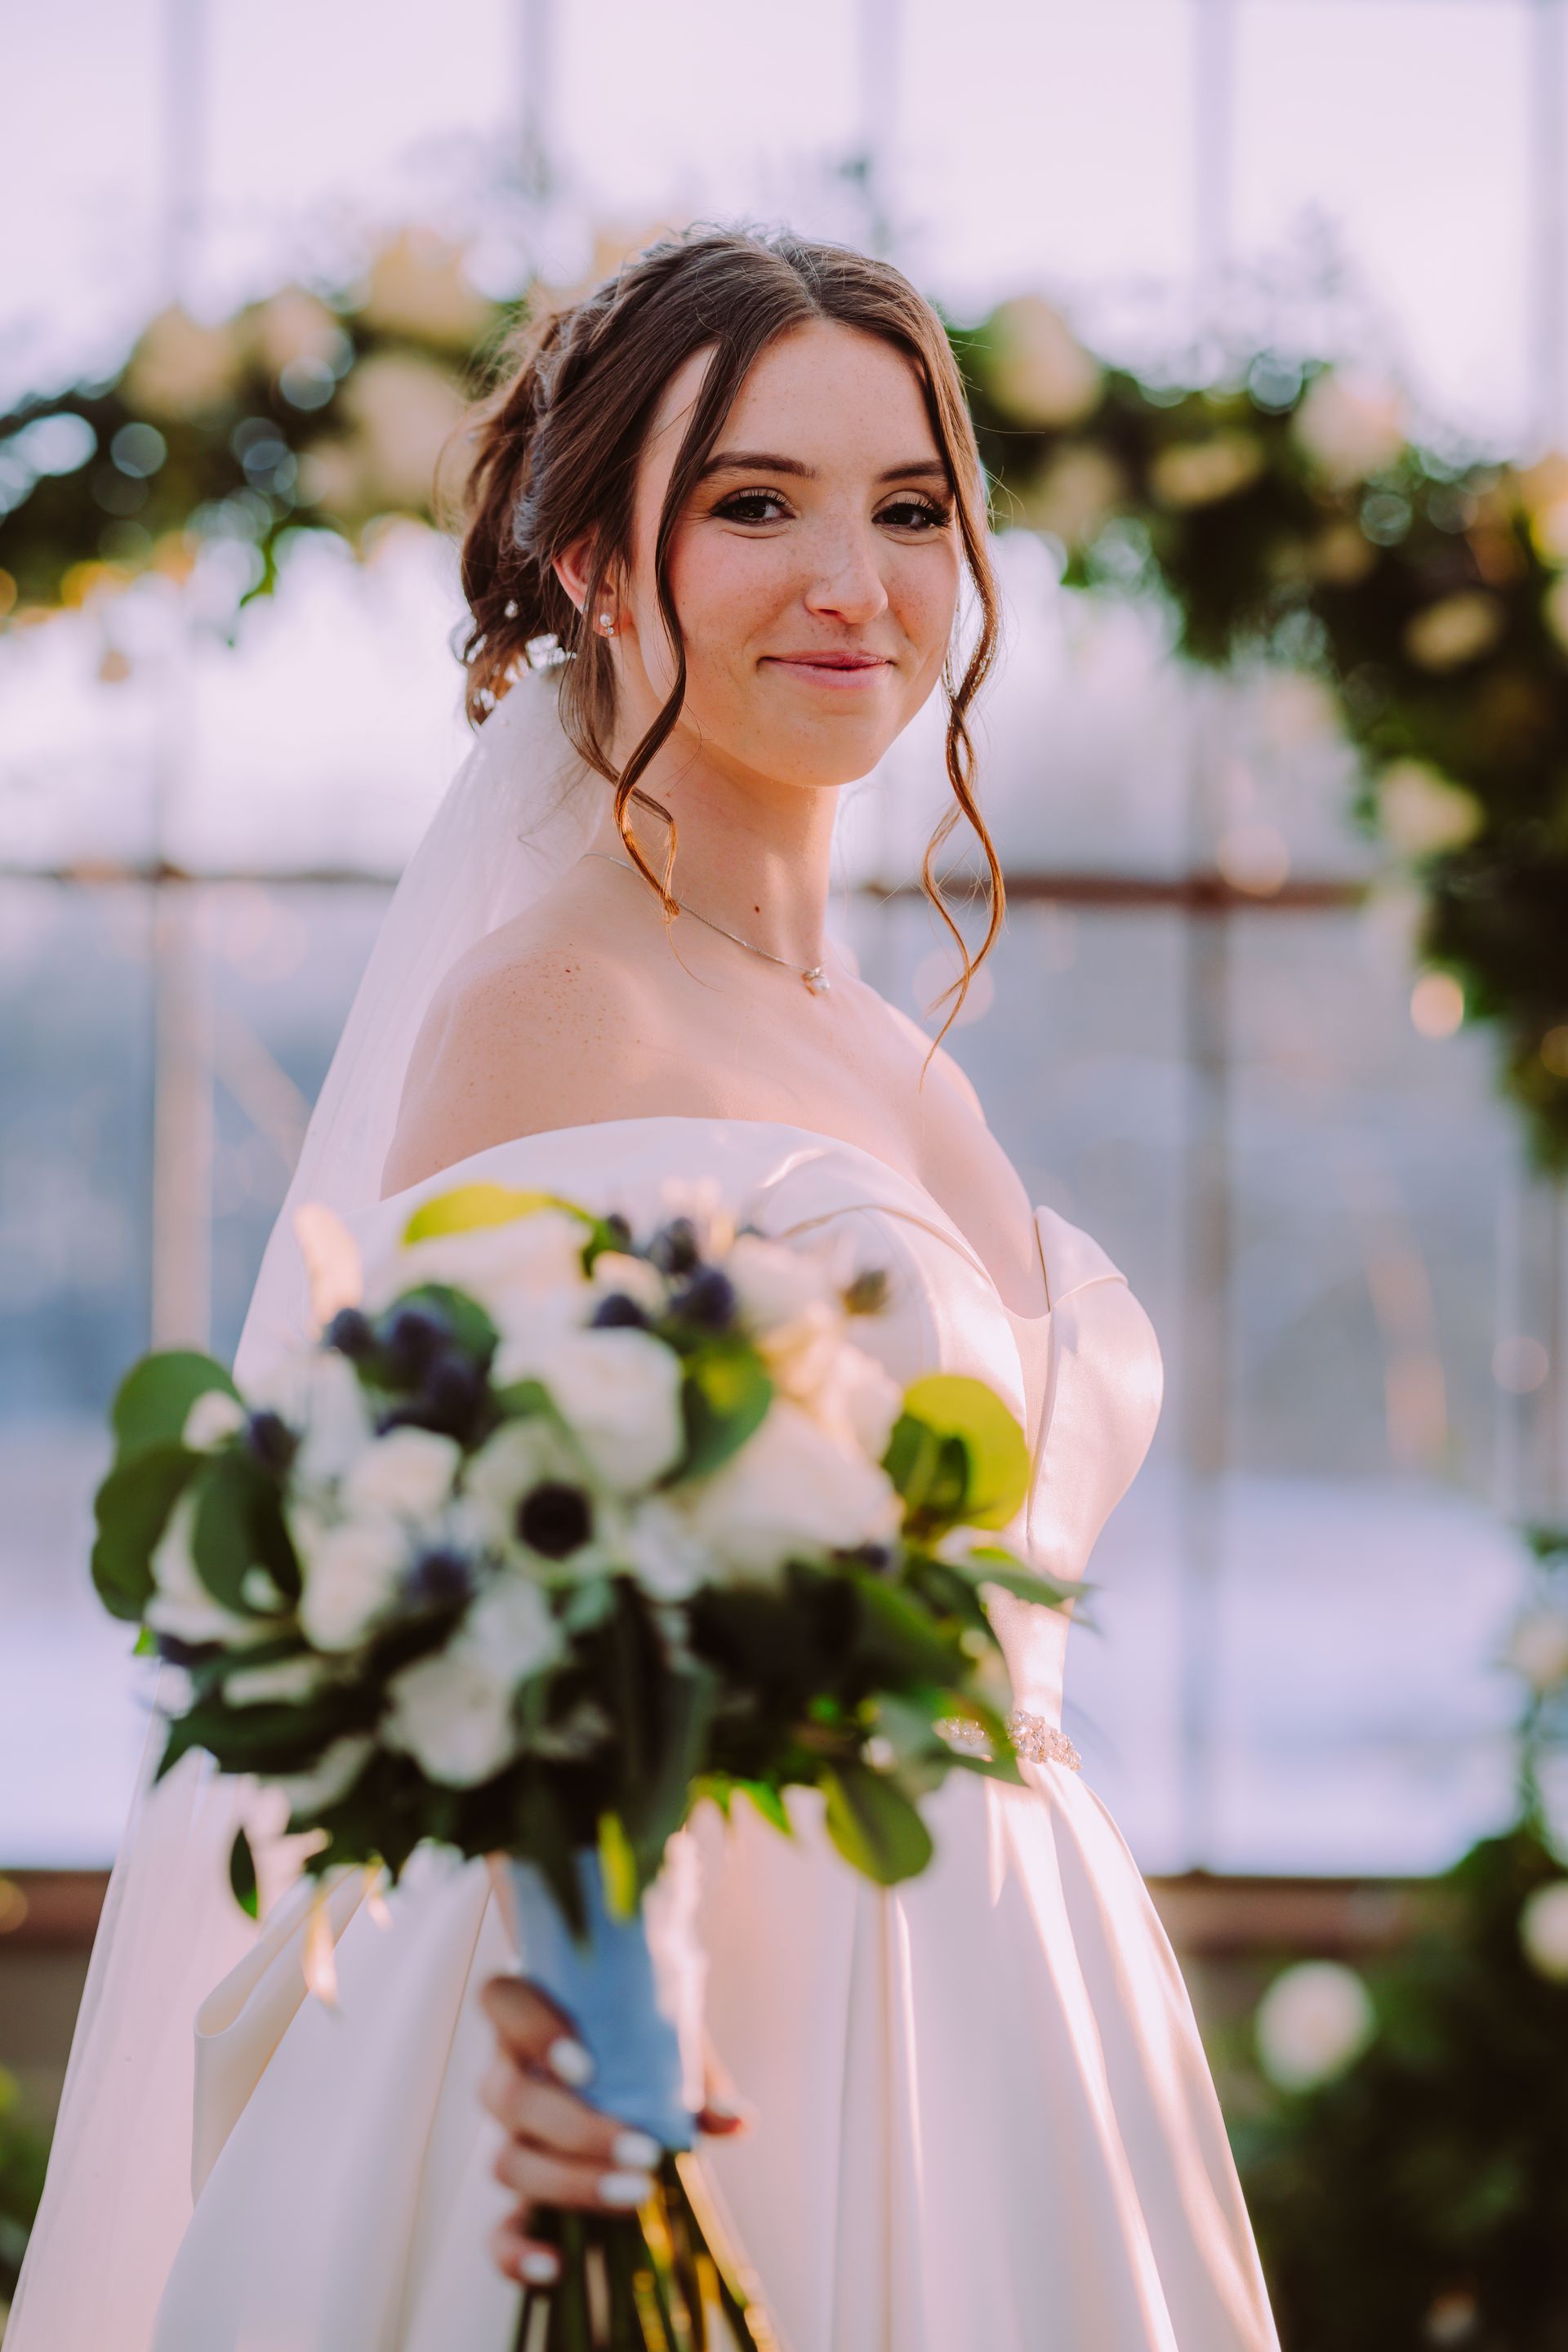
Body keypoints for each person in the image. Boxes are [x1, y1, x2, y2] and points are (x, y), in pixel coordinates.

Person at [9, 223, 1282, 2351]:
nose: (850, 580)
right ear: (598, 566)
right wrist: (570, 2015)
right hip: (725, 2019)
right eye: (753, 505)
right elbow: (496, 1611)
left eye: (911, 508)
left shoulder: (893, 1045)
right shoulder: (551, 1010)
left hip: (1018, 1992)